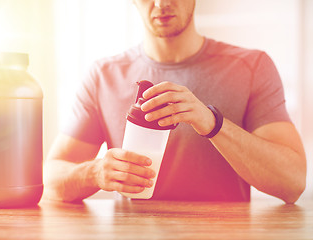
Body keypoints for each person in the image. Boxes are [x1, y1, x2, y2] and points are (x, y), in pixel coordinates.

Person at [43, 0, 306, 203]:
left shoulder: (252, 67)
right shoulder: (103, 76)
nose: (161, 3)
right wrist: (95, 172)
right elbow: (51, 178)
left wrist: (212, 123)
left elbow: (292, 183)